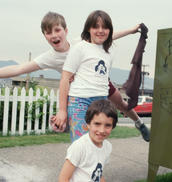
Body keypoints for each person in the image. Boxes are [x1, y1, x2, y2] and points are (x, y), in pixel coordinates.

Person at [0, 11, 150, 142]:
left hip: (99, 82)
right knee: (76, 118)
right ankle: (66, 127)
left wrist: (131, 30)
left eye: (57, 30)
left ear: (65, 31)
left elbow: (108, 36)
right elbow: (19, 68)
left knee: (122, 104)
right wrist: (62, 110)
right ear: (45, 36)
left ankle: (139, 123)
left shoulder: (80, 42)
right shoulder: (49, 57)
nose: (54, 35)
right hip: (78, 91)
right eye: (48, 32)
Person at [58, 99, 118, 182]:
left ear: (113, 127)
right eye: (97, 124)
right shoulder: (79, 146)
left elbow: (98, 174)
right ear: (88, 124)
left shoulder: (108, 147)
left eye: (107, 125)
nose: (101, 130)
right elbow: (63, 178)